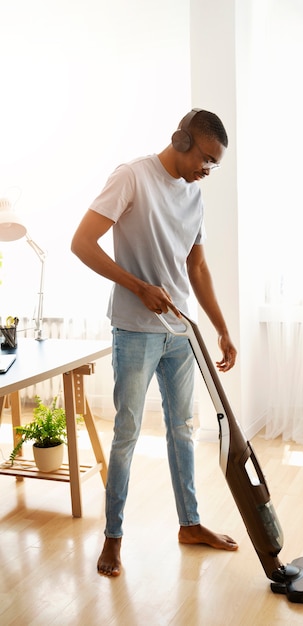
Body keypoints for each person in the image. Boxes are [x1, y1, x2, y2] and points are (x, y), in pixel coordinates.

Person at [71, 108, 238, 577]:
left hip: (180, 334)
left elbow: (197, 268)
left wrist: (221, 327)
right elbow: (81, 242)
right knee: (126, 436)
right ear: (181, 140)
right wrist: (137, 286)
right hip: (134, 333)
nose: (207, 169)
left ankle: (190, 524)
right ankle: (113, 539)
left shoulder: (195, 196)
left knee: (182, 429)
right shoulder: (132, 177)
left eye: (215, 164)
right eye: (206, 158)